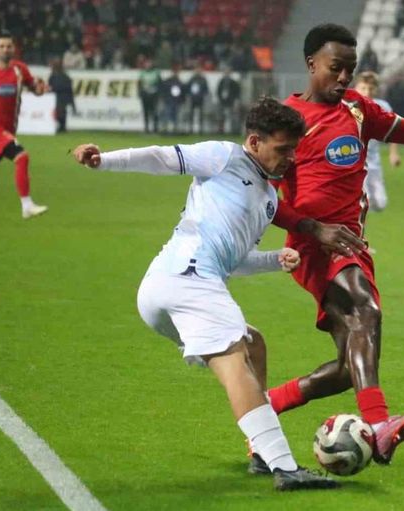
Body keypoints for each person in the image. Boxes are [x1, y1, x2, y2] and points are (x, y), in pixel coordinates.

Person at [70, 97, 367, 491]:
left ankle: (262, 453)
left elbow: (232, 260)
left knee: (253, 344)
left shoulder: (266, 200)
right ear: (254, 141)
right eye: (283, 149)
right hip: (188, 279)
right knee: (234, 362)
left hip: (168, 285)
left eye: (294, 149)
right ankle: (284, 467)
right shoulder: (225, 156)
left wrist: (274, 259)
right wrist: (103, 160)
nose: (290, 158)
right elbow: (163, 157)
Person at [263, 23, 404, 469]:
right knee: (365, 311)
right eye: (335, 68)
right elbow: (263, 201)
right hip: (312, 246)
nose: (344, 78)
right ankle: (378, 425)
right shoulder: (288, 121)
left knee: (347, 368)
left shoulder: (358, 109)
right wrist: (315, 229)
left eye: (350, 69)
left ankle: (265, 407)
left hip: (351, 245)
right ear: (311, 64)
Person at [0, 31, 49, 219]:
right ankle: (27, 205)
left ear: (14, 49)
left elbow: (34, 88)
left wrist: (40, 89)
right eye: (1, 46)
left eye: (9, 46)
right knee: (21, 157)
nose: (5, 49)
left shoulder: (20, 70)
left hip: (8, 130)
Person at [353, 71, 400, 213]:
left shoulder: (383, 107)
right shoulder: (348, 106)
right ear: (355, 88)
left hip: (374, 162)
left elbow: (393, 131)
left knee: (380, 204)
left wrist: (393, 154)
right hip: (354, 161)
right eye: (363, 88)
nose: (367, 92)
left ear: (376, 90)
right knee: (363, 201)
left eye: (370, 88)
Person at [47, 58, 76, 133]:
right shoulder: (64, 76)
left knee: (60, 113)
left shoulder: (55, 76)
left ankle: (62, 127)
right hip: (61, 97)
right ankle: (62, 127)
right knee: (61, 113)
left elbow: (51, 87)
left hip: (59, 97)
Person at [138, 58, 161, 133]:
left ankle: (155, 128)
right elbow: (139, 85)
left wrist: (157, 93)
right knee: (146, 112)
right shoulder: (142, 73)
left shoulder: (156, 72)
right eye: (146, 63)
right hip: (145, 95)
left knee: (154, 112)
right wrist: (141, 93)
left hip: (154, 95)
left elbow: (160, 84)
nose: (148, 65)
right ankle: (146, 128)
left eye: (149, 63)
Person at [161, 68, 186, 133]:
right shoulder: (167, 81)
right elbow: (164, 90)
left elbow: (182, 92)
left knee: (175, 116)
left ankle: (174, 129)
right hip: (169, 101)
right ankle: (166, 129)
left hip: (176, 101)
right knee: (167, 115)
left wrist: (182, 100)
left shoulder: (179, 82)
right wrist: (165, 98)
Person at [186, 65, 209, 134]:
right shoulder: (192, 79)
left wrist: (202, 95)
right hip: (193, 99)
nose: (197, 71)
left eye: (199, 70)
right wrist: (190, 95)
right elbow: (188, 88)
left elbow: (206, 90)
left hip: (200, 99)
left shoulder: (203, 79)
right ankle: (190, 129)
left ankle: (200, 129)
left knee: (201, 115)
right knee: (191, 114)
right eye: (196, 70)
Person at [217, 68, 241, 134]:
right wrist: (220, 99)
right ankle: (221, 130)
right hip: (222, 101)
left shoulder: (233, 82)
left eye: (228, 72)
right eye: (225, 72)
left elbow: (237, 92)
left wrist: (235, 101)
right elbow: (218, 91)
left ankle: (234, 131)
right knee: (221, 116)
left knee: (233, 116)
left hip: (231, 102)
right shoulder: (221, 82)